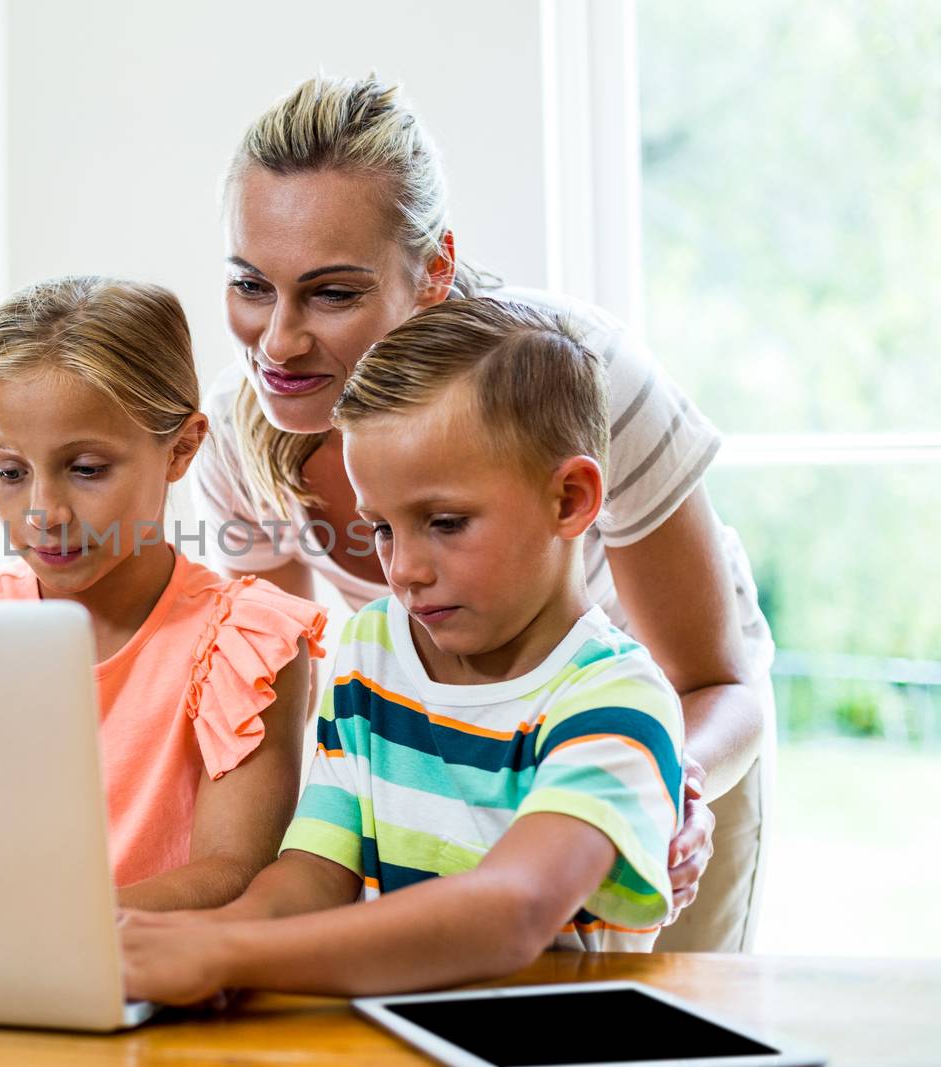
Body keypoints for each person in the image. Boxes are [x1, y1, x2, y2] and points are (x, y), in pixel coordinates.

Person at [191, 74, 773, 951]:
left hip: (651, 749)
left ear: (433, 270)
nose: (277, 341)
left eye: (332, 293)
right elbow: (282, 713)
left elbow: (715, 683)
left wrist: (656, 788)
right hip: (441, 752)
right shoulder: (242, 435)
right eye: (251, 284)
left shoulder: (582, 375)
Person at [122, 299, 685, 1003]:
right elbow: (311, 874)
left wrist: (228, 950)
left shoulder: (619, 698)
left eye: (445, 523)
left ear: (570, 499)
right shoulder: (373, 650)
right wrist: (191, 942)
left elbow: (512, 911)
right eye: (382, 529)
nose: (404, 570)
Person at [0, 276, 326, 911]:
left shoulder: (244, 646)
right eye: (8, 472)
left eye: (86, 470)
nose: (44, 511)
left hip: (143, 977)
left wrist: (48, 930)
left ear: (182, 448)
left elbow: (230, 872)